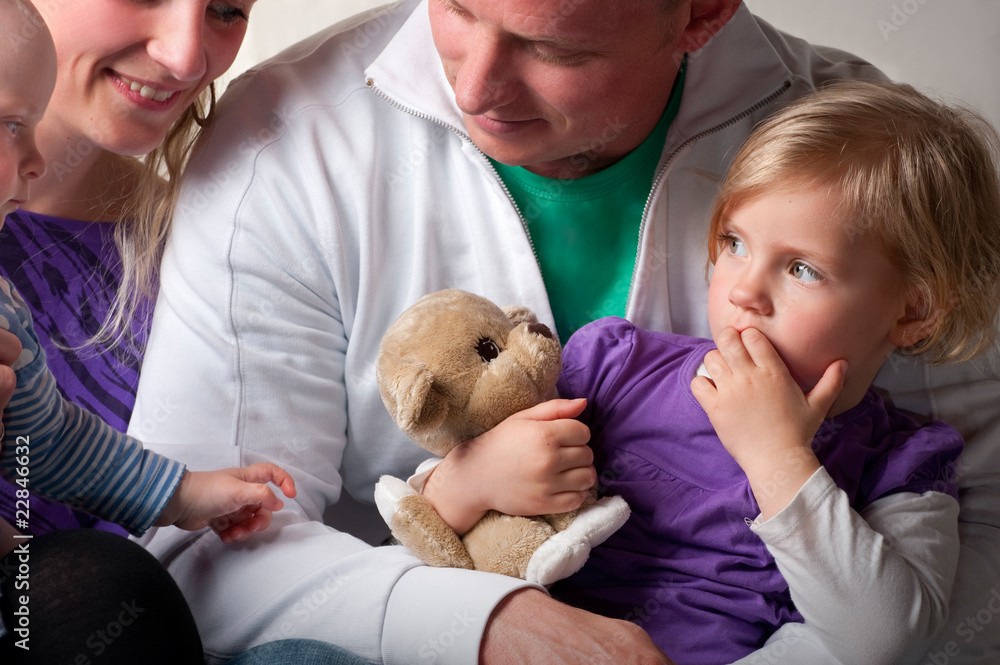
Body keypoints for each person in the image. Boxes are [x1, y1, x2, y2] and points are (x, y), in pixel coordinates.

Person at [129, 0, 1000, 663]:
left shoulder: (883, 166)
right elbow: (197, 540)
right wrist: (487, 625)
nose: (471, 86)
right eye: (460, 8)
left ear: (701, 13)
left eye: (555, 48)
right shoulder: (283, 142)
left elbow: (979, 543)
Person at [544, 80, 1000, 665]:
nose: (745, 291)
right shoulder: (617, 368)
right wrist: (470, 483)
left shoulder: (903, 465)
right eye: (734, 243)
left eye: (803, 269)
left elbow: (881, 639)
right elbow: (458, 511)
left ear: (913, 311)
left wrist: (778, 457)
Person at [0, 1, 369, 664]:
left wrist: (187, 491)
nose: (185, 57)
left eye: (226, 10)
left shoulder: (239, 246)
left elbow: (51, 438)